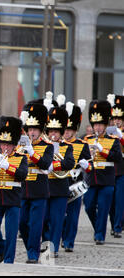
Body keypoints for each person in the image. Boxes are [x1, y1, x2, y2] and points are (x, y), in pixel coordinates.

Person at [0, 116, 28, 264]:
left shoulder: (21, 157)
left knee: (11, 232)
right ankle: (1, 250)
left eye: (8, 144)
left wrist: (8, 168)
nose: (5, 147)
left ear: (14, 145)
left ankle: (9, 260)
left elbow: (23, 175)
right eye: (3, 144)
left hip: (13, 197)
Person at [18, 102, 53, 264]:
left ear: (40, 130)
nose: (31, 132)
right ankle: (31, 247)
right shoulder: (20, 146)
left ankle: (33, 253)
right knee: (22, 223)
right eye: (29, 129)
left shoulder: (47, 146)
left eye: (34, 129)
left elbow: (45, 164)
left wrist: (32, 153)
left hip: (39, 190)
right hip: (23, 189)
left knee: (35, 224)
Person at [83, 100, 122, 245]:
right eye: (95, 125)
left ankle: (99, 235)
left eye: (100, 125)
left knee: (104, 207)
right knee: (89, 206)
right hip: (91, 178)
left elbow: (117, 157)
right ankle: (98, 228)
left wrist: (102, 150)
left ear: (105, 125)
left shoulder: (113, 140)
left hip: (106, 179)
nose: (97, 127)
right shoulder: (87, 140)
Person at [42, 105, 75, 257]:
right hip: (44, 186)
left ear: (61, 132)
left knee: (56, 219)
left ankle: (53, 247)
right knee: (43, 218)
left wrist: (53, 165)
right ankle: (44, 243)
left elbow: (69, 163)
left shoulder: (67, 147)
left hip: (60, 186)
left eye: (55, 131)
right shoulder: (42, 146)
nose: (53, 134)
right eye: (51, 131)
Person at [60, 100, 92, 252]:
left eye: (70, 129)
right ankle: (60, 236)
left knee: (73, 216)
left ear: (75, 129)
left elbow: (90, 166)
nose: (66, 132)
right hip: (59, 182)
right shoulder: (56, 144)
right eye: (65, 129)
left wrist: (87, 165)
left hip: (75, 182)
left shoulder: (82, 144)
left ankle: (69, 242)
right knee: (59, 214)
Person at [109, 94, 124, 238]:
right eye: (115, 119)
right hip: (111, 169)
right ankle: (114, 223)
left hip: (123, 169)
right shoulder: (109, 132)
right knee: (112, 201)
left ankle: (118, 227)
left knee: (120, 200)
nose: (117, 121)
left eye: (119, 119)